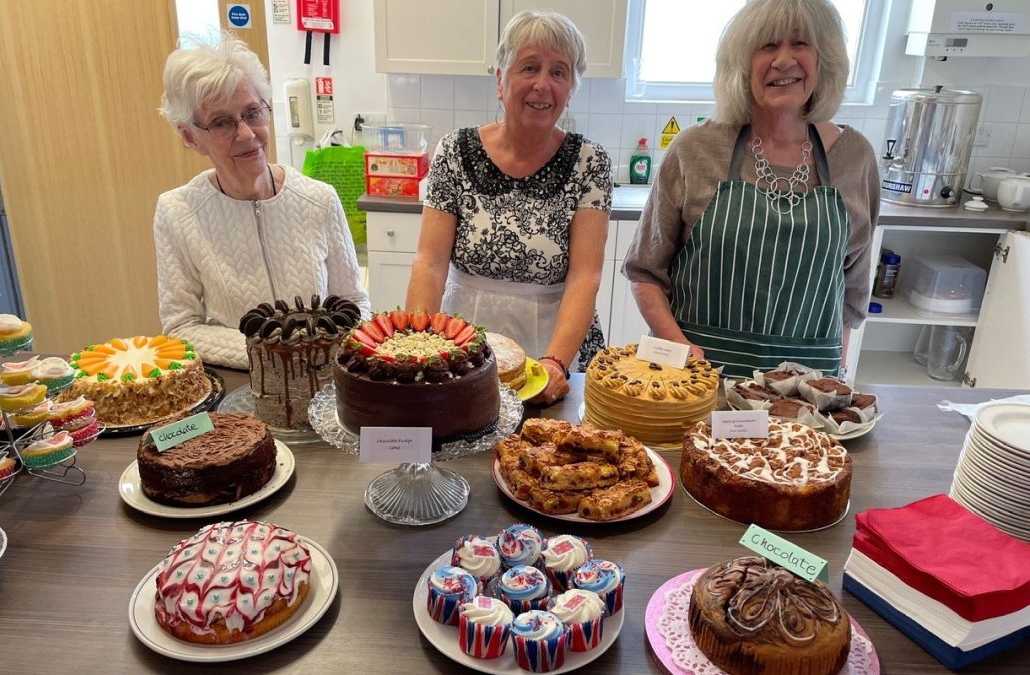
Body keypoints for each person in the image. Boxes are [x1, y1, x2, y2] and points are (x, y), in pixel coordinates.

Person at [623, 0, 878, 378]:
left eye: (801, 44)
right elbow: (645, 272)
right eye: (768, 45)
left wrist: (835, 374)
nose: (784, 60)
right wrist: (676, 345)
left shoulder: (855, 157)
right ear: (740, 64)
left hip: (804, 391)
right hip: (698, 382)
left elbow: (852, 290)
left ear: (825, 58)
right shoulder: (695, 149)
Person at [405, 10, 612, 404]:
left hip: (554, 343)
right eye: (529, 67)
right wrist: (418, 345)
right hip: (464, 339)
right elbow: (429, 262)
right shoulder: (454, 151)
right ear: (500, 80)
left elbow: (586, 275)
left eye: (559, 72)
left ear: (572, 87)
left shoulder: (590, 162)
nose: (542, 85)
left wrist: (554, 363)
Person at [154, 36, 370, 368]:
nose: (246, 134)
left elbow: (354, 304)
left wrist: (312, 352)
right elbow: (181, 327)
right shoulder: (177, 213)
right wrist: (271, 353)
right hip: (242, 383)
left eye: (252, 113)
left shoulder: (318, 199)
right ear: (189, 136)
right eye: (222, 122)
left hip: (325, 378)